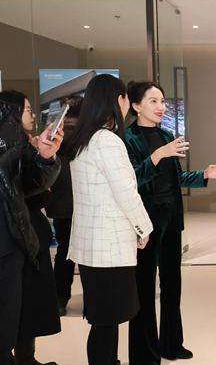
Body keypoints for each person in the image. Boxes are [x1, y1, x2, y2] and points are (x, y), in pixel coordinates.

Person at [124, 81, 216, 364]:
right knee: (144, 287)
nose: (161, 107)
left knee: (172, 283)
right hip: (145, 219)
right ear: (136, 106)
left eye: (162, 101)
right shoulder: (127, 138)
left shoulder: (167, 135)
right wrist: (158, 155)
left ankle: (171, 345)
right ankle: (145, 355)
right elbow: (131, 180)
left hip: (171, 215)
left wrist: (204, 174)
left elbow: (177, 179)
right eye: (153, 101)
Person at [65, 74, 153, 365]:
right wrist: (144, 228)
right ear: (119, 101)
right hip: (109, 248)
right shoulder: (108, 141)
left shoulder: (84, 139)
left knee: (104, 320)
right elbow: (126, 193)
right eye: (126, 98)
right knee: (107, 321)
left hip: (90, 246)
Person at [0, 93, 63, 365]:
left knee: (9, 329)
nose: (33, 115)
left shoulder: (13, 138)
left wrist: (44, 158)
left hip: (12, 244)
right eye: (27, 110)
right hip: (14, 241)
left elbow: (26, 185)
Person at [47, 95, 83, 317]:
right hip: (86, 205)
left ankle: (60, 300)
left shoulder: (53, 135)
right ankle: (93, 301)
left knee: (64, 251)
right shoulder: (88, 135)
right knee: (87, 255)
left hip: (60, 204)